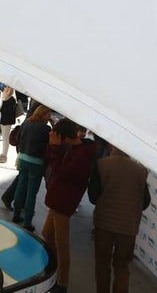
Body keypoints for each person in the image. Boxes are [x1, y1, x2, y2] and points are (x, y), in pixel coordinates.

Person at [41, 120, 97, 293]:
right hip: (58, 200)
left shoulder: (81, 154)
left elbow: (62, 172)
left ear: (64, 137)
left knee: (61, 243)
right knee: (47, 234)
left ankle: (62, 283)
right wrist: (54, 147)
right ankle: (52, 272)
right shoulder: (75, 149)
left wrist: (55, 148)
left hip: (63, 203)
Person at [91, 141, 150, 293]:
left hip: (104, 224)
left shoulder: (101, 164)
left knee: (102, 266)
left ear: (112, 146)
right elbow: (145, 202)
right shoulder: (140, 171)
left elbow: (92, 196)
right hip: (128, 227)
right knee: (122, 267)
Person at [10, 103, 53, 230]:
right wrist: (53, 123)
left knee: (21, 187)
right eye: (48, 114)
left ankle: (16, 214)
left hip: (23, 158)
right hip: (37, 162)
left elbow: (20, 138)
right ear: (43, 114)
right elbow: (52, 143)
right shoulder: (46, 130)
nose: (49, 116)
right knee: (31, 193)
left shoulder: (27, 123)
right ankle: (28, 222)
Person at [0, 85, 21, 163]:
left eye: (7, 87)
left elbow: (8, 111)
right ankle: (3, 154)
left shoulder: (11, 99)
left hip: (7, 121)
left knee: (5, 139)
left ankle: (4, 156)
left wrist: (0, 108)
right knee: (4, 138)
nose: (5, 89)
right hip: (4, 120)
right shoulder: (5, 97)